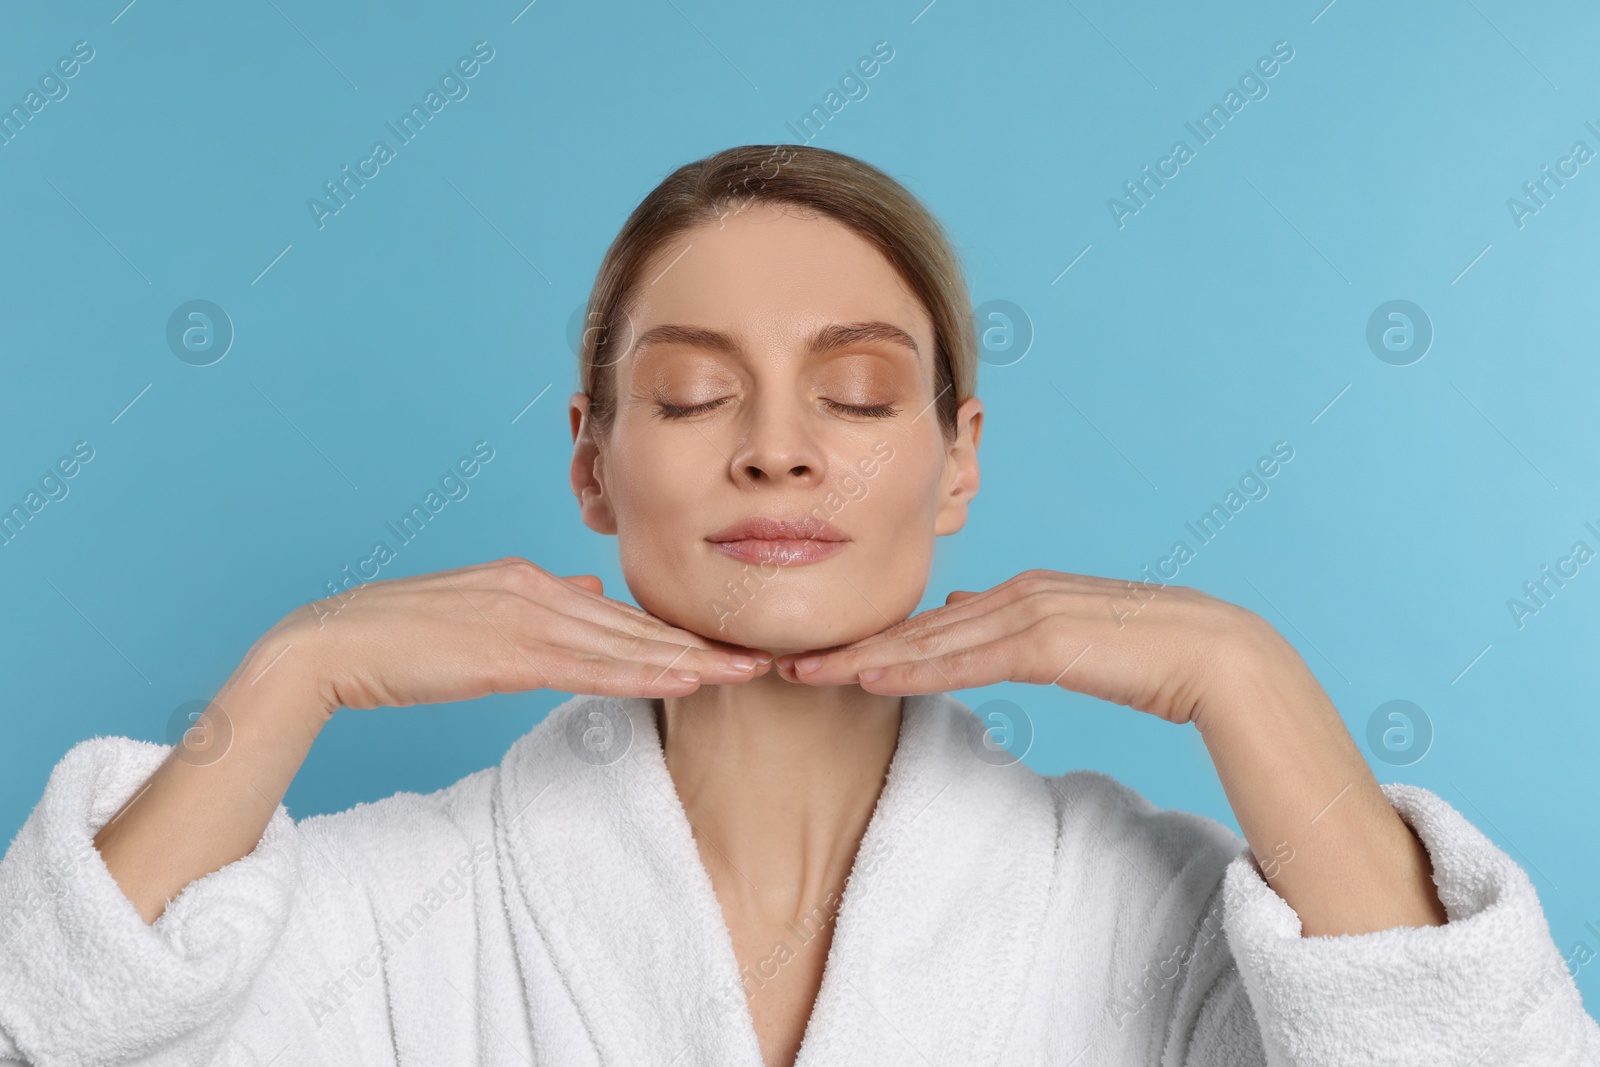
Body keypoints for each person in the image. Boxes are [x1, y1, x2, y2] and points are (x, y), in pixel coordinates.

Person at [0, 144, 1595, 1067]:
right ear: (593, 464)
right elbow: (53, 1031)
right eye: (692, 399)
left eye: (857, 396)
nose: (775, 450)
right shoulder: (385, 911)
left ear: (958, 463)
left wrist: (1247, 674)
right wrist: (300, 669)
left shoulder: (1144, 919)